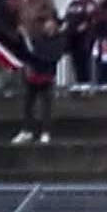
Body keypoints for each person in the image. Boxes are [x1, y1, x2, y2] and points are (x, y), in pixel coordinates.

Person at [13, 16, 65, 145]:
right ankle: (27, 130)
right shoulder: (38, 39)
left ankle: (45, 132)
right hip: (33, 76)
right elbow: (27, 51)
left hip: (46, 76)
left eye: (51, 26)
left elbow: (51, 56)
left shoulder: (59, 41)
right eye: (46, 25)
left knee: (45, 106)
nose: (48, 28)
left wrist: (35, 56)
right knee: (28, 105)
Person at [63, 0, 97, 89]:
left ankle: (85, 83)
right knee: (75, 61)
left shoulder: (90, 4)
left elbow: (92, 18)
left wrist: (85, 25)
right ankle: (77, 83)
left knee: (84, 62)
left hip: (84, 39)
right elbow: (68, 16)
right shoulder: (74, 4)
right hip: (72, 38)